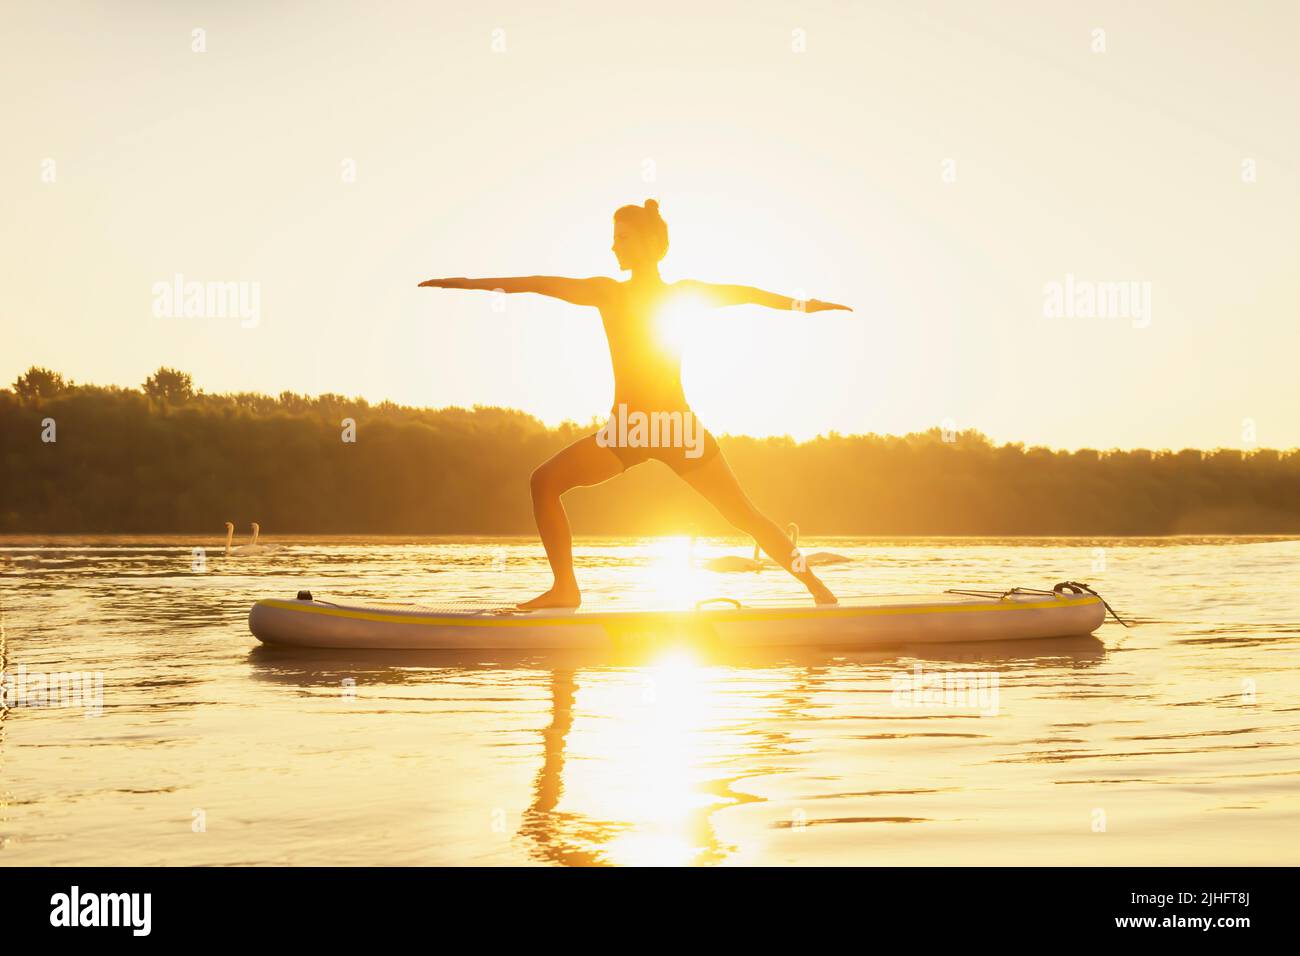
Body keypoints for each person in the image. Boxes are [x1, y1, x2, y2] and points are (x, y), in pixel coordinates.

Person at [420, 199, 850, 608]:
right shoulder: (618, 293)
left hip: (660, 429)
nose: (613, 246)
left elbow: (748, 294)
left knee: (744, 516)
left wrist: (807, 306)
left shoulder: (635, 293)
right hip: (634, 429)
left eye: (622, 238)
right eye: (613, 237)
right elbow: (536, 285)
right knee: (545, 483)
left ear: (648, 244)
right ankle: (565, 589)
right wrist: (467, 284)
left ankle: (821, 592)